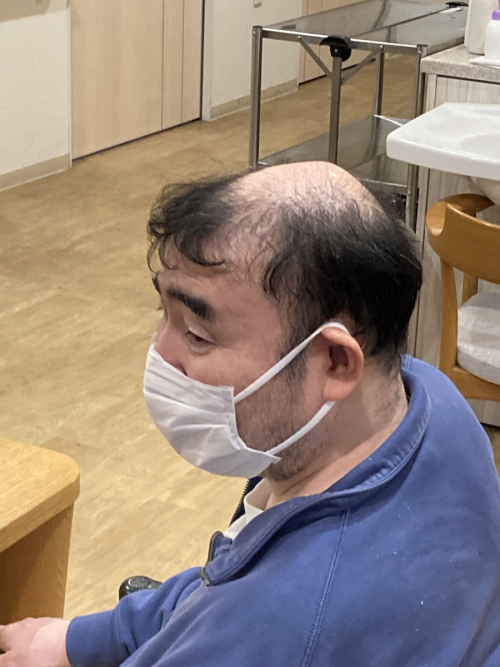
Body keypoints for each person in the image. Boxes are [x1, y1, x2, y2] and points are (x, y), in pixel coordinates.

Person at [2, 162, 500, 667]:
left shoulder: (273, 625)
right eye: (164, 315)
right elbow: (223, 589)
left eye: (197, 335)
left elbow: (241, 617)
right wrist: (83, 638)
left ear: (335, 361)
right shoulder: (428, 398)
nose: (161, 353)